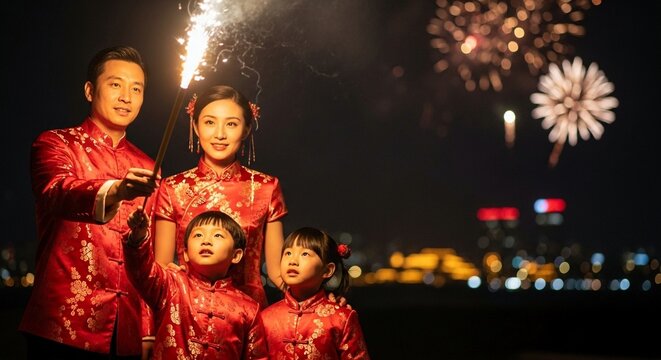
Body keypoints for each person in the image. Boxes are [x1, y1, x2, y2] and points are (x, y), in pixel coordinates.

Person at [19, 45, 159, 359]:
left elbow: (147, 257)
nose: (126, 96)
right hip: (63, 324)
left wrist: (148, 330)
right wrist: (118, 190)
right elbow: (56, 191)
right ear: (89, 90)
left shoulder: (150, 167)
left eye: (136, 89)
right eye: (116, 85)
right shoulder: (55, 143)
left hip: (127, 329)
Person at [152, 84, 287, 308]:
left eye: (231, 124)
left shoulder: (266, 187)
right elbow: (160, 270)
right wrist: (150, 332)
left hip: (249, 314)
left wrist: (318, 301)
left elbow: (277, 273)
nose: (220, 134)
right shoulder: (173, 187)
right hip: (187, 312)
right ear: (195, 126)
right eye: (209, 122)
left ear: (246, 129)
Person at [124, 208, 269, 359]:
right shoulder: (171, 284)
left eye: (218, 235)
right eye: (198, 235)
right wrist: (138, 238)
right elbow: (142, 270)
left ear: (236, 255)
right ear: (185, 253)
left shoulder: (249, 309)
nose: (206, 240)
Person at [261, 227, 371, 359]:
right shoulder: (265, 318)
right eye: (288, 253)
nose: (293, 261)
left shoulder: (341, 318)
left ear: (328, 270)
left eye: (305, 254)